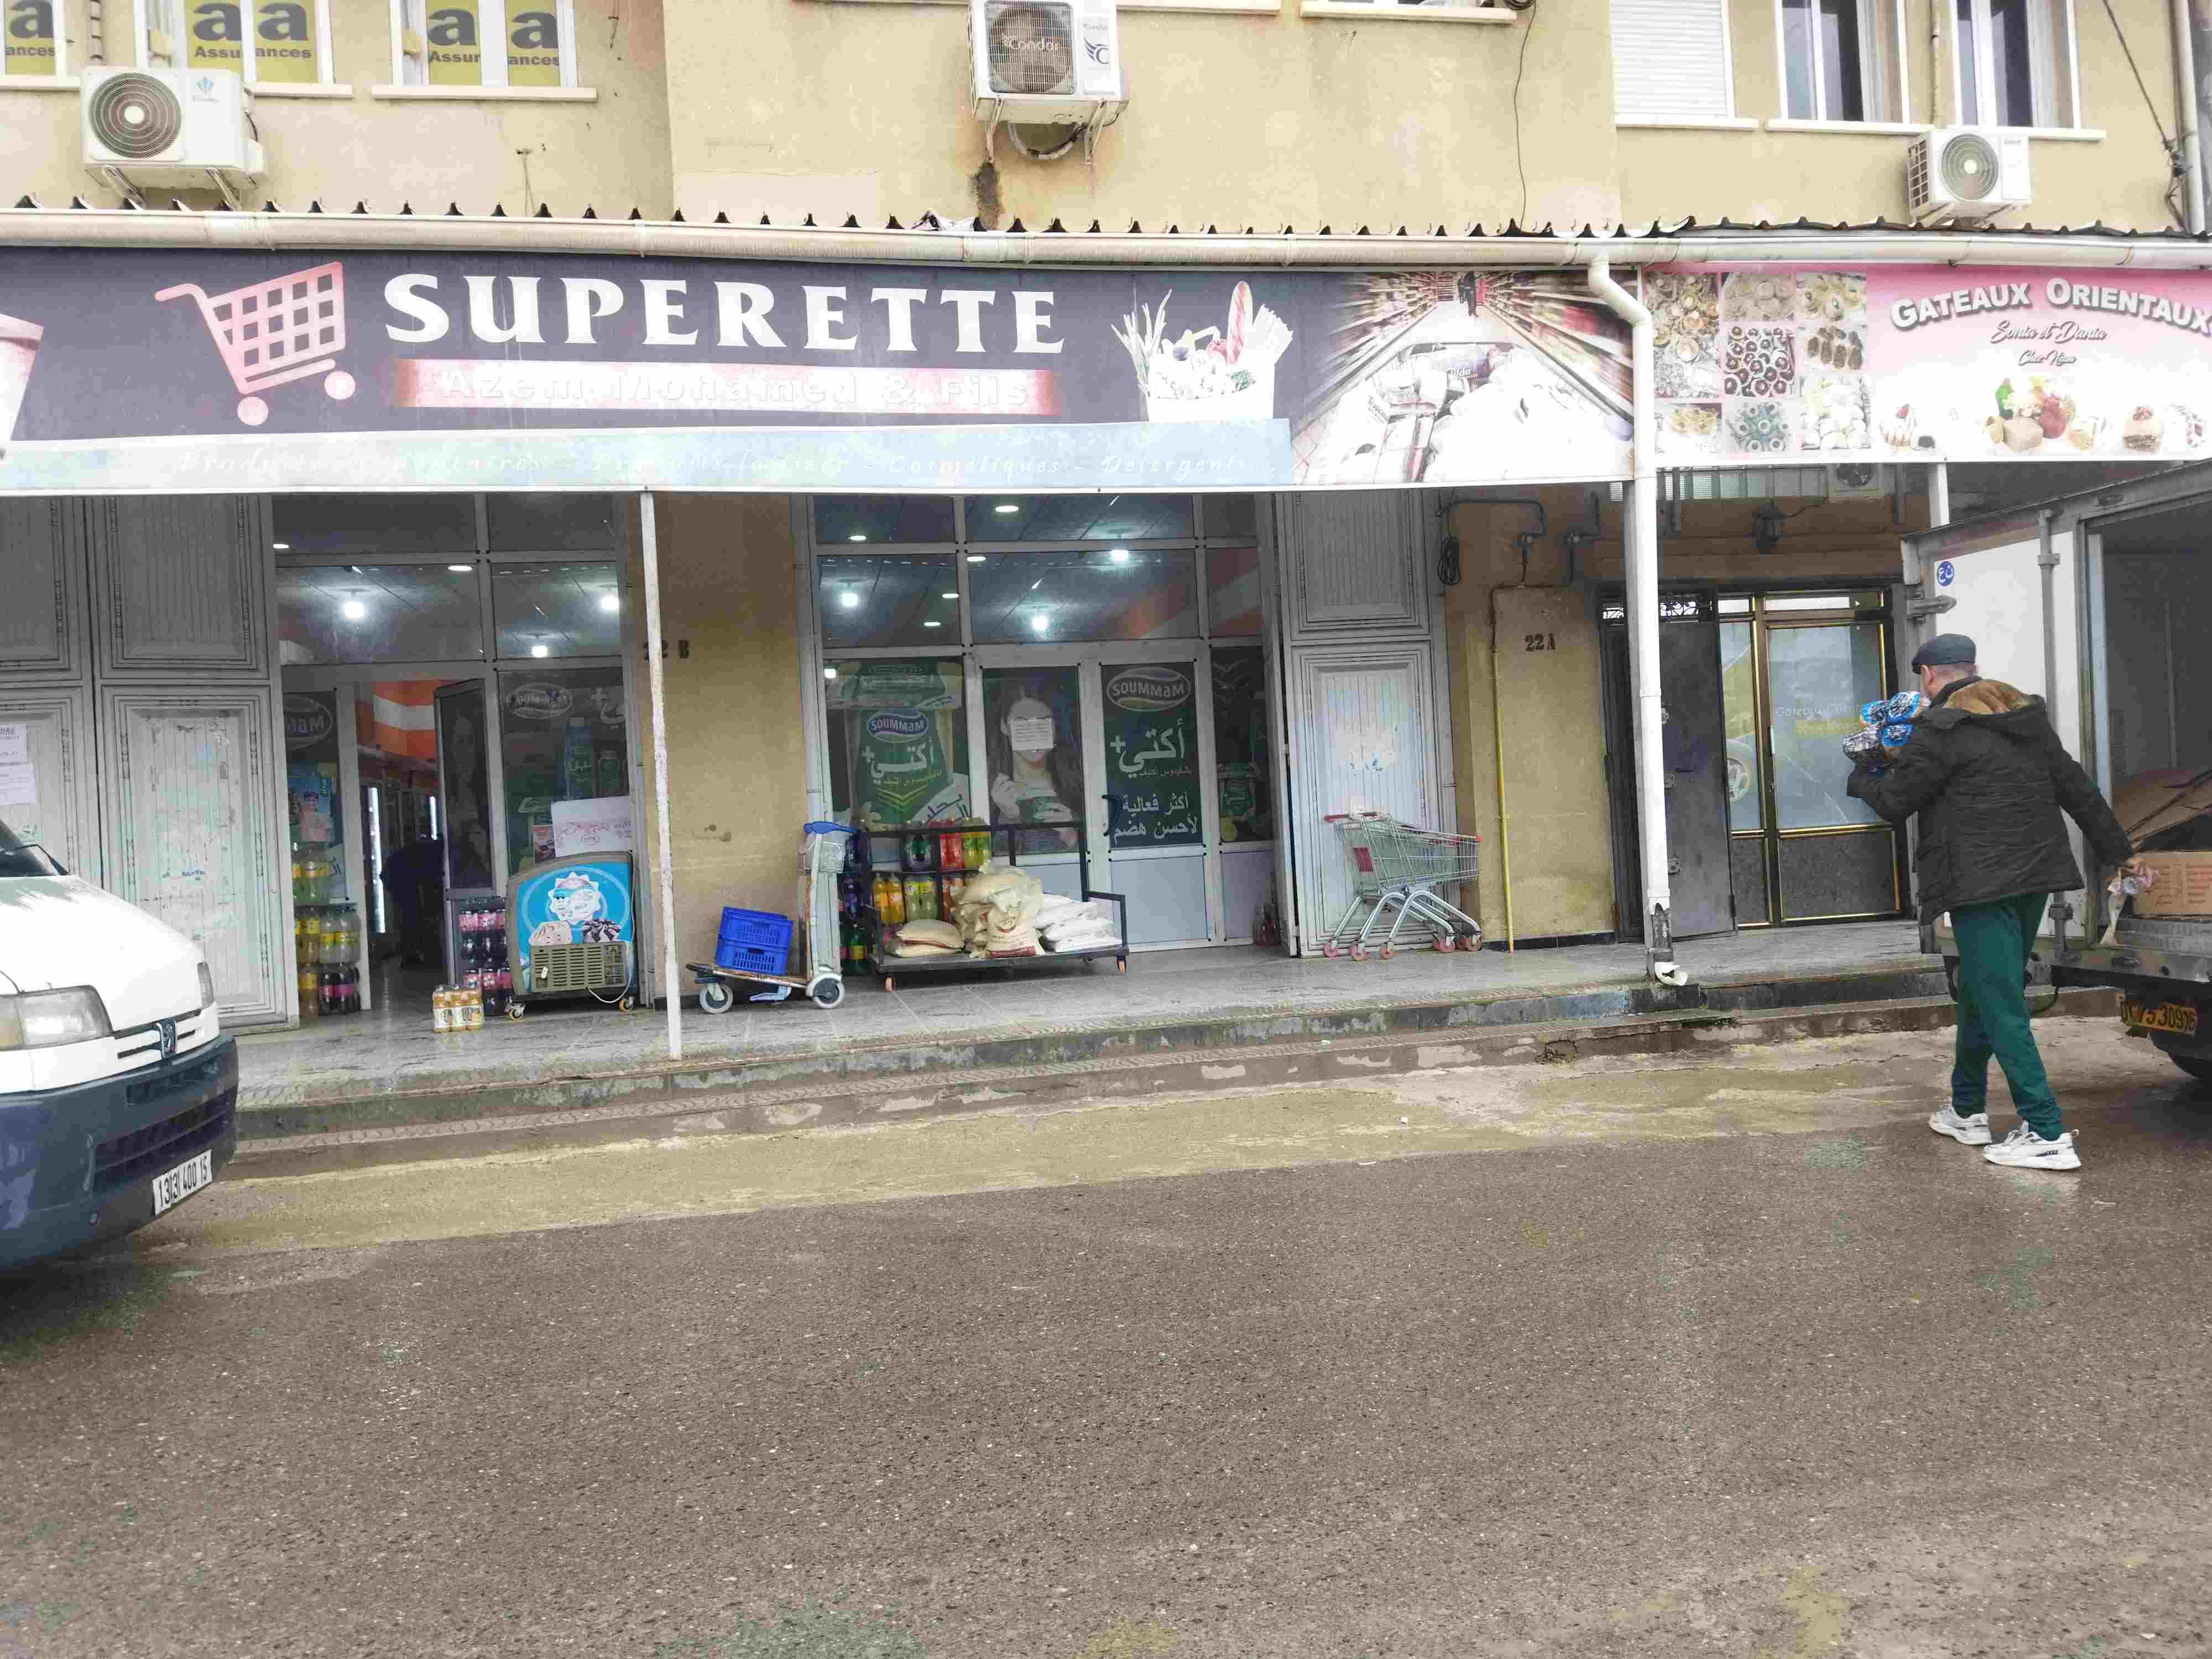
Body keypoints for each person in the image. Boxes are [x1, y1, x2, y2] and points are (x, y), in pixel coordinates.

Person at [1848, 633, 2134, 1172]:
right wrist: (2120, 853)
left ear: (1929, 675)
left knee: (2000, 1003)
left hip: (1978, 885)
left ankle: (2046, 1132)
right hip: (2035, 879)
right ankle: (1966, 1110)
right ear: (1972, 668)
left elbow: (1894, 803)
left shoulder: (1939, 730)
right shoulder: (2024, 719)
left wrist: (1865, 771)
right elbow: (2077, 789)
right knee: (1981, 995)